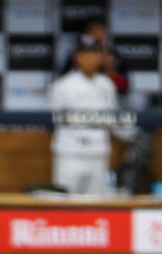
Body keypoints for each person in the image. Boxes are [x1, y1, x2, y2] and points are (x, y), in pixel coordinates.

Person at [48, 34, 118, 195]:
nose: (91, 58)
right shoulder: (63, 85)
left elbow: (113, 118)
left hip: (98, 153)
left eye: (95, 54)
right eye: (86, 54)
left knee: (94, 205)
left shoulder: (106, 85)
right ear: (77, 57)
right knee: (65, 202)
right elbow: (53, 119)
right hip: (70, 153)